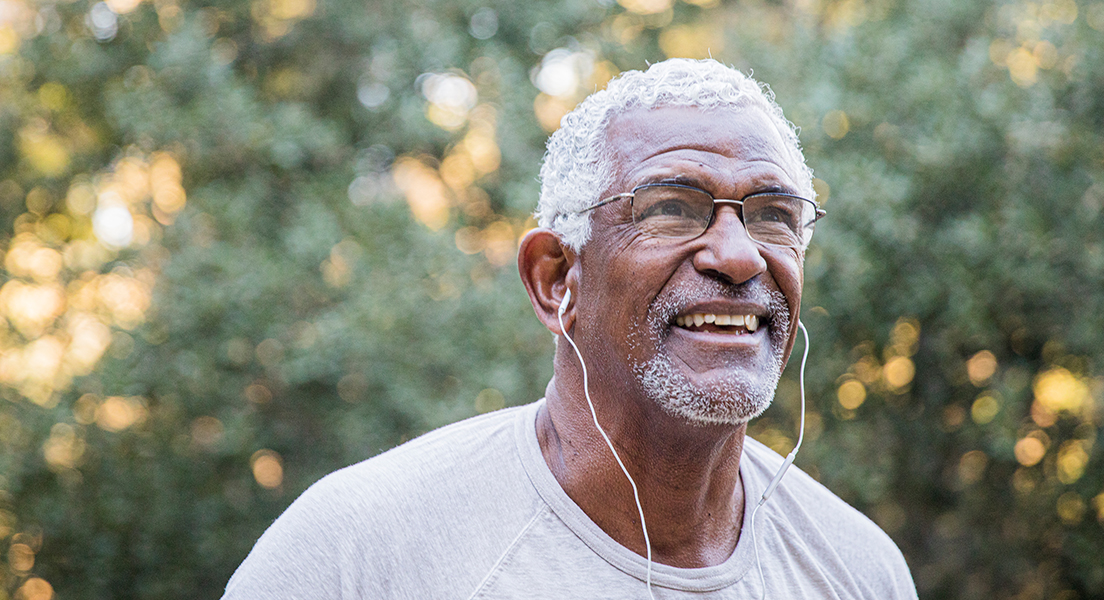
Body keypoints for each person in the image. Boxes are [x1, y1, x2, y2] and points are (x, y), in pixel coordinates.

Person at [222, 58, 917, 599]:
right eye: (672, 207)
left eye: (774, 215)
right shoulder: (360, 551)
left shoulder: (858, 570)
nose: (737, 255)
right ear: (557, 278)